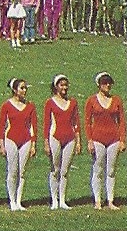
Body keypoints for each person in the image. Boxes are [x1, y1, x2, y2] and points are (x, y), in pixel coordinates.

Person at [85, 71, 124, 210]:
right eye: (104, 82)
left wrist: (122, 140)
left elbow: (121, 121)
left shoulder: (117, 100)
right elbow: (88, 122)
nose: (107, 85)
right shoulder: (92, 100)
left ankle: (111, 200)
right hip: (98, 138)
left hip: (113, 138)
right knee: (98, 168)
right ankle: (97, 200)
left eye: (109, 83)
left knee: (111, 170)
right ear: (99, 84)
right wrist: (89, 140)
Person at [0, 77, 38, 211]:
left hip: (25, 140)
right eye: (22, 88)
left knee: (22, 171)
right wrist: (2, 144)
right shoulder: (7, 105)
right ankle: (12, 200)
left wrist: (33, 144)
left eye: (25, 88)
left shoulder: (30, 106)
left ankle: (19, 201)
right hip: (11, 139)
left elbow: (33, 126)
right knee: (12, 170)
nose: (24, 90)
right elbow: (2, 126)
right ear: (15, 90)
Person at [44, 74, 81, 210]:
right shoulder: (50, 102)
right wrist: (46, 142)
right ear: (56, 87)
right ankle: (54, 199)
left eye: (66, 85)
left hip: (70, 138)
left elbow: (76, 122)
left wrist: (78, 141)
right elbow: (47, 124)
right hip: (55, 137)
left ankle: (63, 200)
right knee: (55, 169)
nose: (64, 87)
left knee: (65, 170)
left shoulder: (73, 103)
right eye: (61, 85)